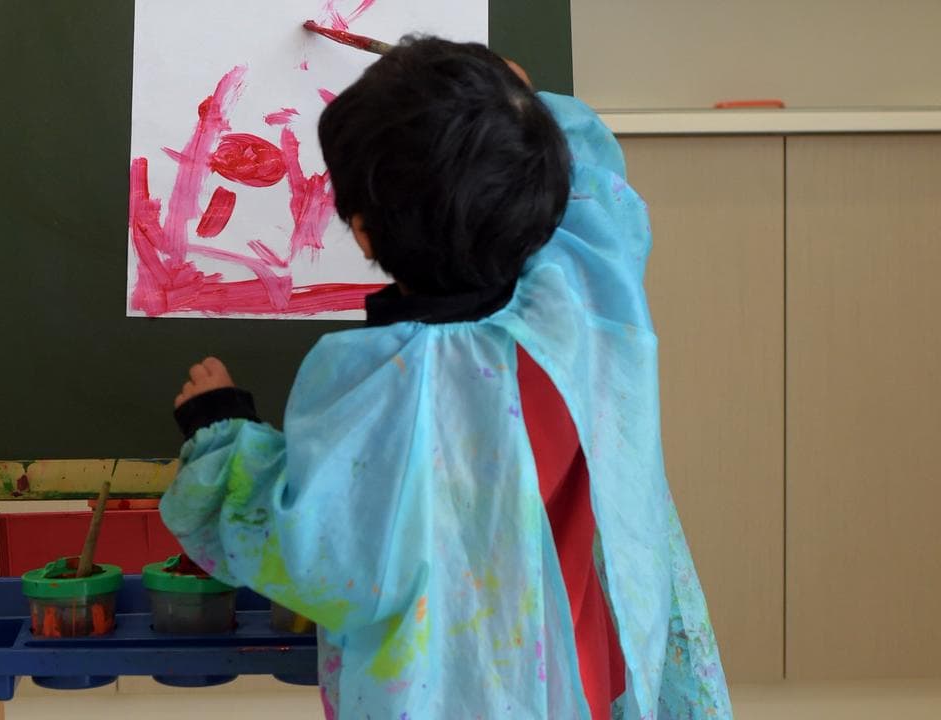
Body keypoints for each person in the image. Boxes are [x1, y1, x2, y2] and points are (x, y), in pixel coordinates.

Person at [160, 36, 733, 720]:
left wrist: (221, 433)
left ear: (364, 233)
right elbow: (599, 197)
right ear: (541, 185)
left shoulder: (383, 389)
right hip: (578, 679)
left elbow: (312, 554)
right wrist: (518, 106)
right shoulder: (587, 301)